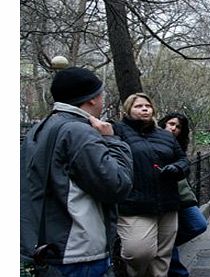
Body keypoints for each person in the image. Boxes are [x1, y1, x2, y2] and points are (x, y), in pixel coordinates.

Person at [20, 67, 134, 276]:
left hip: (48, 247)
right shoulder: (78, 131)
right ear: (91, 99)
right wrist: (112, 140)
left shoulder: (40, 128)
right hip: (79, 252)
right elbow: (118, 185)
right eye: (101, 94)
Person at [113, 93, 190, 276]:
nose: (145, 109)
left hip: (167, 203)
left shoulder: (165, 136)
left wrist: (177, 168)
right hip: (134, 203)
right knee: (138, 252)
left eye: (147, 106)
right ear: (127, 110)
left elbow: (183, 159)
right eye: (138, 106)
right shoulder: (118, 131)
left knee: (162, 255)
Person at [158, 112, 208, 277]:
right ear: (163, 123)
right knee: (168, 239)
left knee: (198, 224)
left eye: (178, 127)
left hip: (181, 197)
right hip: (163, 198)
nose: (173, 128)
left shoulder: (177, 147)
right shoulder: (153, 141)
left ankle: (160, 247)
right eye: (171, 124)